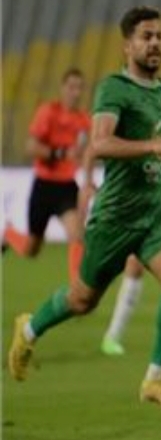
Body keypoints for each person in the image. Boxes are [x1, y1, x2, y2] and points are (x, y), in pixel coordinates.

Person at [8, 6, 161, 411]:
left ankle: (155, 379)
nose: (155, 43)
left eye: (159, 36)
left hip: (154, 212)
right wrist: (153, 147)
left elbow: (158, 144)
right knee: (82, 300)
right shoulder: (113, 88)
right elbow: (101, 143)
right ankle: (30, 329)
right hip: (115, 216)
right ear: (128, 45)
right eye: (146, 36)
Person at [81, 109, 161, 357]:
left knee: (136, 268)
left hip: (152, 203)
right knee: (85, 295)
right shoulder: (127, 109)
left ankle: (113, 335)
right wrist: (87, 182)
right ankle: (107, 331)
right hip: (123, 204)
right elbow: (95, 147)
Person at [3, 68, 91, 282]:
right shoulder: (48, 112)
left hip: (67, 186)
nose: (76, 92)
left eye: (79, 88)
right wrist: (60, 153)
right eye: (71, 87)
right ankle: (8, 234)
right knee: (31, 249)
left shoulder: (84, 120)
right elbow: (31, 147)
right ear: (62, 88)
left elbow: (86, 153)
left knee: (77, 234)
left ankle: (77, 287)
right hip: (44, 186)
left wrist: (89, 179)